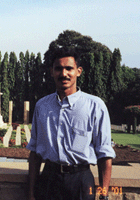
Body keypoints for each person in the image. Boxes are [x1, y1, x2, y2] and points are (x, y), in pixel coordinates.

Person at [26, 48, 115, 200]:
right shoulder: (42, 106)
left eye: (69, 68)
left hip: (81, 180)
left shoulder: (94, 106)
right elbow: (35, 152)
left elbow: (104, 153)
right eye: (58, 69)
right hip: (49, 180)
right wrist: (31, 193)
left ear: (78, 71)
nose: (64, 74)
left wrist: (103, 194)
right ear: (52, 71)